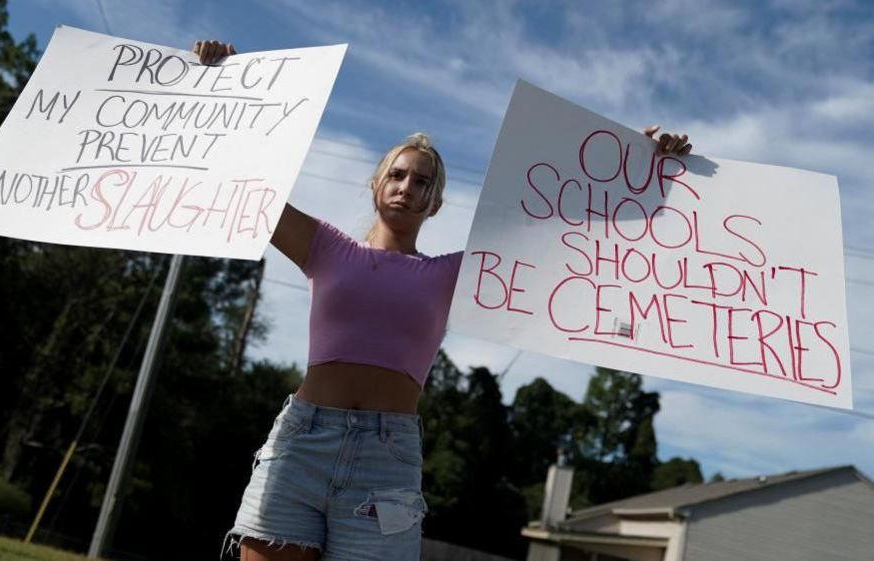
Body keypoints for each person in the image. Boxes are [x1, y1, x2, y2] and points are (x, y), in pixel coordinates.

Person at [192, 40, 693, 561]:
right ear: (375, 184)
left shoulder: (454, 273)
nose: (408, 186)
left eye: (423, 182)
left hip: (385, 461)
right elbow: (249, 184)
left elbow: (564, 235)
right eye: (398, 174)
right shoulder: (325, 248)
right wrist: (215, 83)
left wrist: (639, 165)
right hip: (303, 443)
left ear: (436, 203)